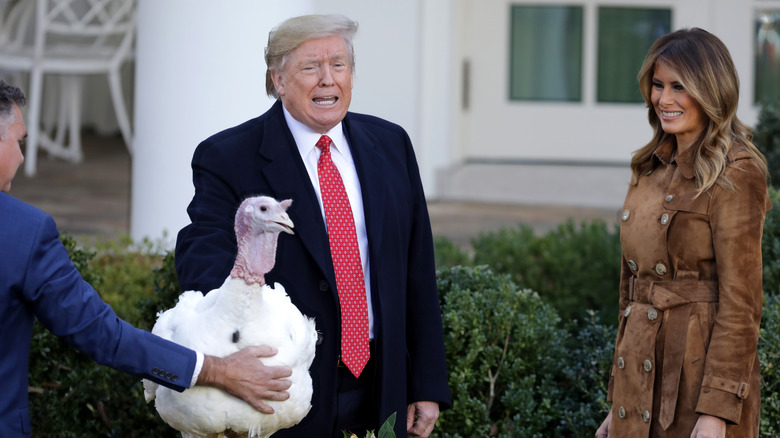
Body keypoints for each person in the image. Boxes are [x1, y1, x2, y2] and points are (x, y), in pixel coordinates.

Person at [174, 14, 451, 438]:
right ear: (279, 80)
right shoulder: (228, 157)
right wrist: (232, 348)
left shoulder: (391, 144)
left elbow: (418, 270)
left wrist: (426, 383)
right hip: (283, 387)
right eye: (310, 67)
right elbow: (203, 260)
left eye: (338, 65)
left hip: (381, 383)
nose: (328, 79)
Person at [0, 80, 294, 437]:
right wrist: (219, 371)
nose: (22, 157)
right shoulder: (24, 232)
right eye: (18, 142)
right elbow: (100, 334)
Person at [595, 28, 770, 438]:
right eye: (658, 85)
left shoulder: (737, 172)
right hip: (637, 387)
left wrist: (716, 411)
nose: (664, 99)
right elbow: (631, 292)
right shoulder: (648, 167)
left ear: (711, 90)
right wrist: (618, 402)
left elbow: (742, 304)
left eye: (679, 87)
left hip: (697, 386)